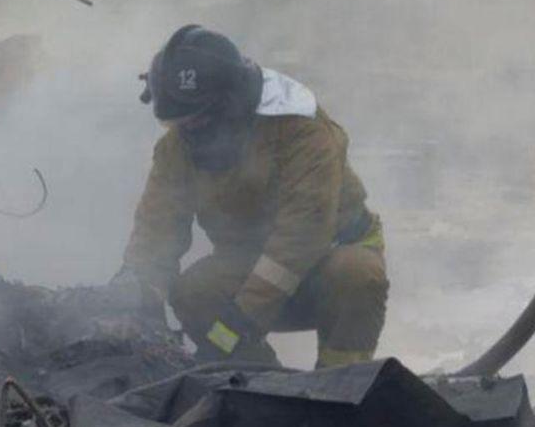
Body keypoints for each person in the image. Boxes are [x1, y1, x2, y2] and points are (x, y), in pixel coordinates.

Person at [116, 25, 388, 368]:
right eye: (177, 123)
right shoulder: (179, 145)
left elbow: (300, 239)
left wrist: (238, 324)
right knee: (194, 293)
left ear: (230, 106)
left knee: (357, 273)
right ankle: (262, 385)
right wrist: (137, 289)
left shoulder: (300, 129)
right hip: (254, 266)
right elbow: (158, 227)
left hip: (326, 266)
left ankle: (341, 391)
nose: (186, 133)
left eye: (196, 121)